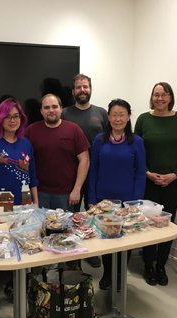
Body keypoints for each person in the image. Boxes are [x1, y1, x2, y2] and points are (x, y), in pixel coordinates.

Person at [0, 98, 39, 315]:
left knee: (20, 251)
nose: (13, 120)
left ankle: (12, 286)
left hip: (25, 208)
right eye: (8, 116)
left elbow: (32, 176)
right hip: (0, 208)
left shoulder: (25, 143)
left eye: (17, 116)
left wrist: (36, 204)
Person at [134, 82, 177, 286]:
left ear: (170, 97)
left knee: (167, 222)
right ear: (152, 97)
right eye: (156, 95)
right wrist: (147, 173)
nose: (160, 98)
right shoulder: (143, 119)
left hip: (173, 182)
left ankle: (161, 266)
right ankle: (148, 265)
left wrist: (174, 175)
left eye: (164, 95)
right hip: (148, 181)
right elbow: (136, 151)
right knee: (149, 221)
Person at [88, 98, 146, 290]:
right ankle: (107, 273)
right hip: (102, 200)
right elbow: (93, 170)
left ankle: (121, 275)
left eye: (122, 114)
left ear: (129, 117)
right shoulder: (99, 140)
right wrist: (91, 200)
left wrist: (135, 203)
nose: (118, 118)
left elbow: (140, 173)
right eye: (114, 114)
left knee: (125, 240)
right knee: (106, 239)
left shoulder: (136, 142)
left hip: (126, 201)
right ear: (108, 117)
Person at [61, 73, 108, 268]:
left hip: (96, 175)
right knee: (70, 216)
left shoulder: (102, 113)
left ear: (90, 89)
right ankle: (73, 257)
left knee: (92, 215)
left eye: (85, 87)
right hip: (70, 174)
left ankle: (91, 250)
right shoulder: (64, 113)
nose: (82, 90)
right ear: (73, 91)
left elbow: (108, 141)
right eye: (79, 87)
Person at [25, 94, 90, 211]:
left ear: (61, 108)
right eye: (46, 107)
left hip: (67, 194)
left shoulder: (74, 129)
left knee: (65, 228)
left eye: (54, 107)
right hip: (39, 193)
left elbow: (84, 160)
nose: (51, 110)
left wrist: (77, 189)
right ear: (41, 111)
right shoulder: (31, 131)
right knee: (40, 228)